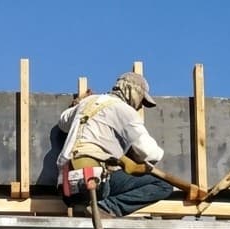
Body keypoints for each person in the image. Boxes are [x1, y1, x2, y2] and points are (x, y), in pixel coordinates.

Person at [56, 71, 174, 218]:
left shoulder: (87, 102)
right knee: (163, 186)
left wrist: (77, 105)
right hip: (95, 182)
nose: (138, 107)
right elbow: (149, 153)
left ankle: (86, 206)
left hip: (66, 185)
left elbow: (63, 122)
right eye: (141, 101)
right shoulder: (125, 111)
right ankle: (106, 208)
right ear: (132, 92)